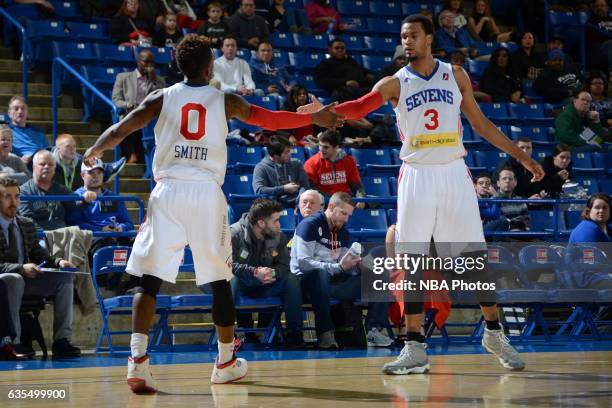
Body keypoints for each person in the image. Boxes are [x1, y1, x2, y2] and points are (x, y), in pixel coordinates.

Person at [83, 34, 341, 393]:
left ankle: (137, 361)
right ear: (210, 67)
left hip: (167, 191)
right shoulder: (225, 100)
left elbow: (120, 129)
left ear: (178, 66)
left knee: (149, 280)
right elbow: (273, 121)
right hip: (205, 192)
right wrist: (314, 118)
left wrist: (93, 149)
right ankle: (224, 361)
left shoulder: (161, 97)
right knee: (218, 279)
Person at [298, 14, 545, 374]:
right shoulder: (393, 83)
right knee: (411, 262)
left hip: (454, 173)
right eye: (403, 36)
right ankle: (414, 345)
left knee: (474, 260)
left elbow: (481, 124)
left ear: (429, 38)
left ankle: (494, 332)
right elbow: (358, 107)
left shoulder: (455, 74)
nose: (407, 41)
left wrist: (521, 156)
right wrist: (325, 114)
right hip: (416, 175)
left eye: (413, 35)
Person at [289, 192, 392, 348]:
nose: (346, 219)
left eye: (349, 215)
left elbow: (345, 265)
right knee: (320, 274)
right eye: (343, 213)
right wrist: (337, 267)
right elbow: (304, 264)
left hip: (334, 283)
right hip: (307, 285)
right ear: (331, 207)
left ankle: (373, 331)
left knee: (378, 275)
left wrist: (358, 266)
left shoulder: (342, 231)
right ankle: (326, 334)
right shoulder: (309, 225)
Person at [0, 177, 79, 359]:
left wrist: (59, 262)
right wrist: (20, 268)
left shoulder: (25, 223)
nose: (14, 202)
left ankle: (62, 341)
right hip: (5, 281)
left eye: (17, 197)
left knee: (64, 278)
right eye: (7, 197)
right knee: (14, 279)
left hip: (25, 279)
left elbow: (38, 254)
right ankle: (13, 342)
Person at [229, 198, 303, 346]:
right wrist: (255, 272)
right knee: (230, 279)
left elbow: (284, 265)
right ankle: (228, 338)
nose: (279, 225)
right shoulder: (234, 234)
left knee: (291, 279)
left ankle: (294, 336)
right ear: (261, 223)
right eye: (275, 221)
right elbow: (228, 265)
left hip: (266, 284)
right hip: (242, 285)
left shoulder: (279, 237)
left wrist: (272, 274)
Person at [112, 49, 165, 163]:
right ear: (138, 62)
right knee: (133, 120)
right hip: (131, 112)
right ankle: (133, 154)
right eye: (146, 62)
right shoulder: (123, 77)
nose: (149, 66)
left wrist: (154, 79)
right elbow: (116, 99)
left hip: (150, 115)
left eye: (152, 63)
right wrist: (128, 104)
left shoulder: (158, 80)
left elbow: (161, 97)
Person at [19, 151, 91, 232]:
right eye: (42, 164)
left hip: (63, 237)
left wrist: (86, 200)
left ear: (54, 169)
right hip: (38, 238)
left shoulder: (60, 189)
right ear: (34, 167)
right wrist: (47, 235)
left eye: (50, 165)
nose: (47, 167)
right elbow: (26, 220)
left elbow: (75, 206)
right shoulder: (23, 191)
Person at [303, 130, 366, 205]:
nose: (321, 149)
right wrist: (334, 200)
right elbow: (311, 190)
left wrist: (361, 198)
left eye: (325, 147)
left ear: (336, 147)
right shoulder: (311, 163)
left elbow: (357, 186)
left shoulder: (349, 161)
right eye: (320, 145)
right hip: (324, 202)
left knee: (374, 205)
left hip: (345, 200)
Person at [52, 133, 127, 190]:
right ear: (58, 149)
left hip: (73, 201)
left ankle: (106, 170)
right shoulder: (47, 162)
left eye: (74, 146)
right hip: (52, 202)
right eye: (68, 146)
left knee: (89, 164)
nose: (72, 149)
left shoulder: (80, 161)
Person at [252, 136, 309, 206]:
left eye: (289, 151)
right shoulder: (261, 168)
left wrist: (301, 198)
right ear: (275, 155)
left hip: (298, 202)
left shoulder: (296, 163)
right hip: (275, 206)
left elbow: (305, 185)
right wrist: (284, 189)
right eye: (286, 152)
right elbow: (259, 190)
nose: (290, 155)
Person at [6, 96, 49, 165]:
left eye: (23, 108)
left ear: (27, 112)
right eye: (16, 109)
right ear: (9, 113)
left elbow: (48, 152)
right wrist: (18, 160)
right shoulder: (4, 132)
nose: (20, 111)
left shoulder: (39, 132)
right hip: (16, 167)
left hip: (40, 165)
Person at [496, 167, 531, 231]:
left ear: (515, 183)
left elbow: (526, 221)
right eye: (504, 179)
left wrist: (510, 222)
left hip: (521, 235)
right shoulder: (493, 200)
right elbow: (499, 221)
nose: (507, 181)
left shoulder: (520, 200)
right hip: (503, 237)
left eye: (510, 179)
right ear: (498, 183)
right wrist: (516, 223)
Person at [586, 0, 612, 71]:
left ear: (607, 8)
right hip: (598, 50)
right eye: (597, 6)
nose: (599, 8)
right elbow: (596, 37)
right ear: (593, 8)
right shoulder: (590, 21)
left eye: (602, 6)